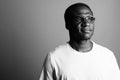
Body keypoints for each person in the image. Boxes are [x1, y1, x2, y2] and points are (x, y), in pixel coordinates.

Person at [39, 3, 120, 80]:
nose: (86, 23)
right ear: (67, 24)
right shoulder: (54, 57)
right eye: (78, 19)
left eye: (89, 18)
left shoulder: (107, 56)